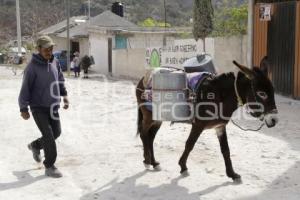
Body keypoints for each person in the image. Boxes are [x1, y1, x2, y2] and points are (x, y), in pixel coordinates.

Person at [18, 35, 69, 178]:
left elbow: (60, 80)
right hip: (38, 107)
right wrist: (23, 108)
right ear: (39, 49)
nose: (49, 51)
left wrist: (64, 96)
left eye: (51, 48)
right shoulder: (32, 67)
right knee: (49, 136)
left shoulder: (55, 62)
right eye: (46, 49)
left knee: (56, 133)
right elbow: (25, 89)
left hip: (53, 107)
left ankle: (35, 145)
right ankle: (50, 165)